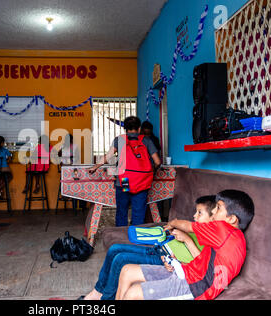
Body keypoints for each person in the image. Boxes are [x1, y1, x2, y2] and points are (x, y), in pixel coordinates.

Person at [115, 189, 254, 300]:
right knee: (127, 271)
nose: (213, 211)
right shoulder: (227, 239)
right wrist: (177, 264)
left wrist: (172, 223)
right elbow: (206, 263)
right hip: (186, 273)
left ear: (232, 219)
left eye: (218, 208)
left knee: (133, 293)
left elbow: (187, 226)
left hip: (195, 287)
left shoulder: (226, 232)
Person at [80, 195, 216, 300]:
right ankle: (97, 292)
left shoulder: (211, 237)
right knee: (114, 249)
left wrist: (186, 240)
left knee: (121, 259)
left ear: (213, 217)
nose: (194, 216)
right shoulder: (197, 228)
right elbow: (182, 227)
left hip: (167, 261)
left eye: (199, 213)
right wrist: (174, 230)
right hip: (161, 249)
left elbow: (201, 264)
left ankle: (106, 299)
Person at [89, 116, 161, 227]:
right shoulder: (146, 140)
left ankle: (121, 237)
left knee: (122, 211)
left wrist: (95, 167)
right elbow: (157, 161)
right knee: (138, 213)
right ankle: (136, 237)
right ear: (139, 128)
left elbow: (108, 156)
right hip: (141, 183)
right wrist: (152, 171)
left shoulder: (120, 140)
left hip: (124, 181)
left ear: (125, 128)